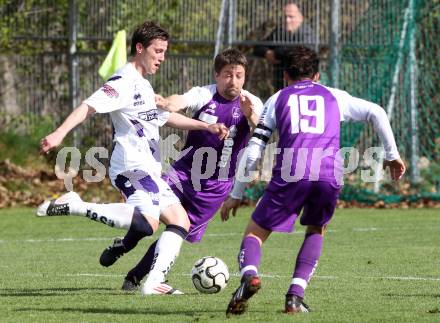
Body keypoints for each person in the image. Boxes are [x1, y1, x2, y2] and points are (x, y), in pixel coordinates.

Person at [36, 21, 229, 295]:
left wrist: (205, 126)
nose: (162, 57)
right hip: (130, 167)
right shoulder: (123, 82)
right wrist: (59, 133)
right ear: (140, 48)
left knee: (180, 220)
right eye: (158, 51)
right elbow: (88, 106)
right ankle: (76, 205)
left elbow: (164, 117)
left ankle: (153, 281)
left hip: (149, 170)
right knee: (147, 222)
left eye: (164, 52)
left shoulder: (145, 86)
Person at [221, 45, 406, 315]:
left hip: (291, 173)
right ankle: (295, 298)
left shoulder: (277, 99)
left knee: (255, 233)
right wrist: (392, 155)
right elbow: (376, 111)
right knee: (317, 229)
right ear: (317, 75)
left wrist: (237, 193)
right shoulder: (334, 95)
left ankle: (250, 276)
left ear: (285, 75)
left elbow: (254, 149)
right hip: (328, 174)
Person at [99, 48, 264, 292]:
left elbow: (261, 129)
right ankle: (124, 245)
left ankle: (134, 277)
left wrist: (251, 116)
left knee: (178, 229)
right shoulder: (204, 94)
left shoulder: (251, 102)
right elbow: (182, 100)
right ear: (217, 75)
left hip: (215, 187)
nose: (234, 81)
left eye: (239, 75)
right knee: (149, 210)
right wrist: (167, 103)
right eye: (228, 75)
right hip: (183, 172)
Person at [254, 2, 316, 91]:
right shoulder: (279, 32)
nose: (287, 20)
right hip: (281, 86)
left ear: (301, 18)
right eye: (284, 17)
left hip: (302, 87)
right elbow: (258, 47)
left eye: (291, 17)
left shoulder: (307, 33)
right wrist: (268, 53)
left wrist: (277, 53)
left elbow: (299, 52)